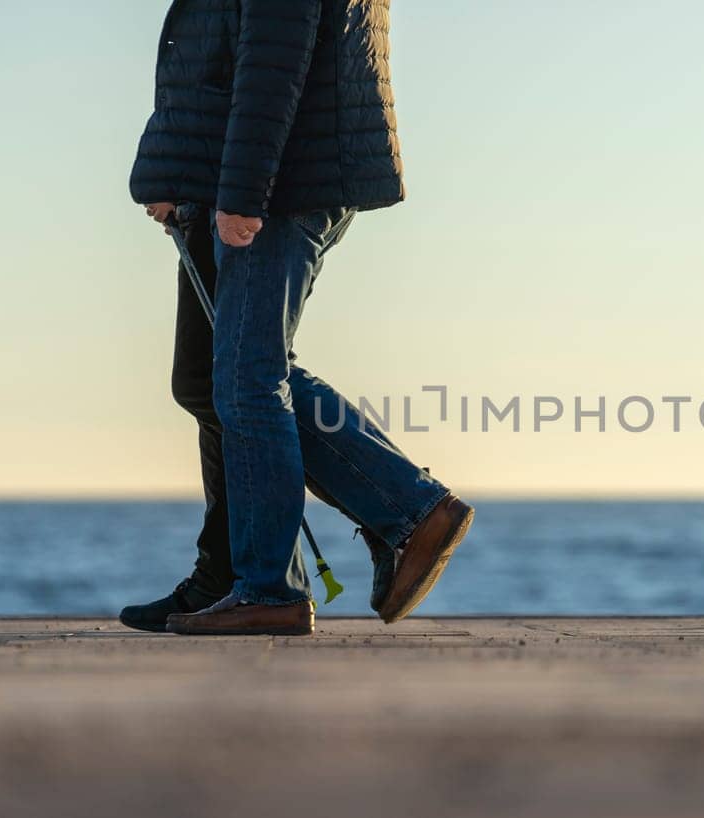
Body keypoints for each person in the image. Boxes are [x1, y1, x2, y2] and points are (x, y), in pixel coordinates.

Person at [119, 0, 473, 636]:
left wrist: (243, 192)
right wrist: (174, 169)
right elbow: (218, 50)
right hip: (242, 173)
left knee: (250, 377)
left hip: (277, 183)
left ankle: (292, 575)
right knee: (218, 377)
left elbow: (273, 64)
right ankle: (240, 578)